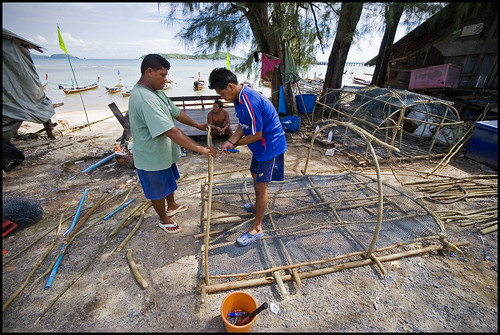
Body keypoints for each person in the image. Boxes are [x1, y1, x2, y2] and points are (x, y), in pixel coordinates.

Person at [128, 54, 217, 234]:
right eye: (162, 75)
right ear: (149, 72)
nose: (165, 79)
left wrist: (197, 124)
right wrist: (200, 148)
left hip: (163, 152)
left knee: (168, 181)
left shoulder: (157, 92)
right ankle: (163, 218)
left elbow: (175, 112)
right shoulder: (146, 99)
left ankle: (172, 205)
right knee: (157, 190)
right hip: (150, 155)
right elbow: (171, 130)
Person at [208, 67, 287, 246]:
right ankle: (257, 206)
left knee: (261, 187)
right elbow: (244, 125)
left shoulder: (249, 100)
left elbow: (257, 134)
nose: (221, 97)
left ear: (230, 86)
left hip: (270, 147)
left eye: (221, 93)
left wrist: (234, 144)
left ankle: (257, 228)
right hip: (259, 147)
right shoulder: (238, 98)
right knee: (254, 174)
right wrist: (231, 140)